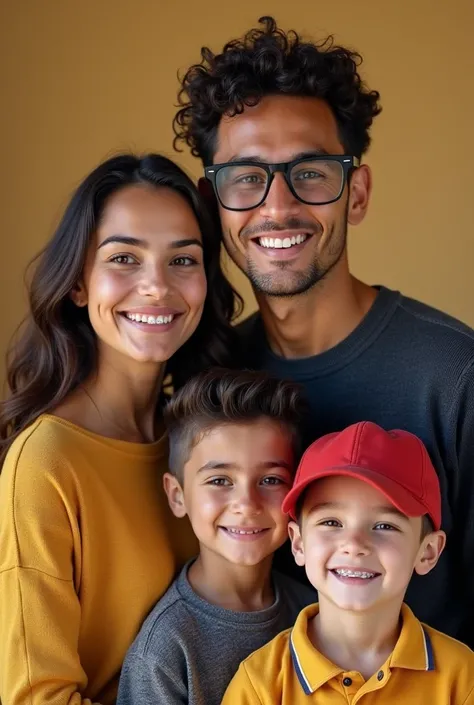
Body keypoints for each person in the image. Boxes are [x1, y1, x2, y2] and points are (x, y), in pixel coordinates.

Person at [172, 16, 474, 647]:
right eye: (246, 178)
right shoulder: (211, 385)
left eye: (309, 171)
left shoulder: (454, 374)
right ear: (211, 202)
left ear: (355, 193)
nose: (277, 207)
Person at [0, 153, 240, 705]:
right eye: (125, 258)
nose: (157, 286)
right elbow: (39, 699)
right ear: (79, 283)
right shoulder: (46, 463)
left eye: (183, 259)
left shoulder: (207, 439)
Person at [222, 421, 474, 704]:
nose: (354, 545)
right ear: (299, 543)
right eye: (331, 522)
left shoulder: (462, 678)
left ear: (427, 552)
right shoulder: (261, 685)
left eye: (384, 526)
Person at [116, 368, 315, 705]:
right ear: (177, 495)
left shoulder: (315, 611)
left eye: (270, 480)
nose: (247, 505)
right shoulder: (165, 650)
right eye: (220, 480)